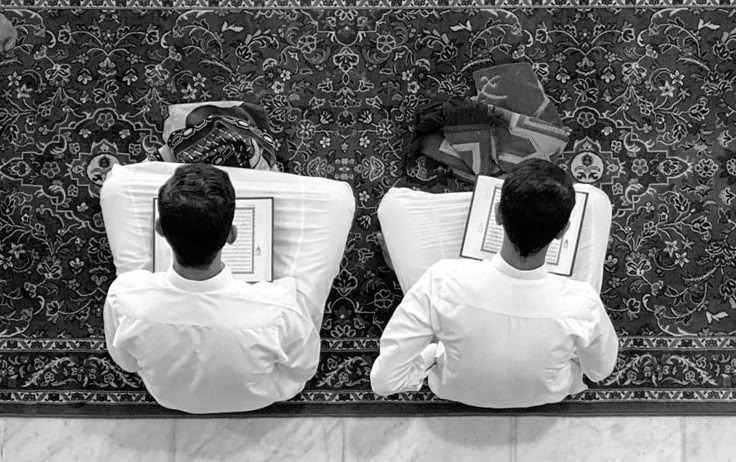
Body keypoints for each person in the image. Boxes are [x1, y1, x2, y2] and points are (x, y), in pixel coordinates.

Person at [101, 162, 354, 413]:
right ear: (232, 235)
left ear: (159, 229)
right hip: (259, 396)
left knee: (116, 187)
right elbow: (302, 370)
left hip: (168, 396)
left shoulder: (124, 296)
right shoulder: (281, 308)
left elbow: (127, 363)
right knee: (338, 198)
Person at [371, 159, 618, 408]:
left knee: (394, 206)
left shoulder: (442, 280)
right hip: (547, 393)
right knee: (596, 201)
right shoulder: (583, 301)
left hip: (454, 388)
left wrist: (431, 355)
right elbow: (599, 371)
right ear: (563, 231)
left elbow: (384, 382)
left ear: (498, 214)